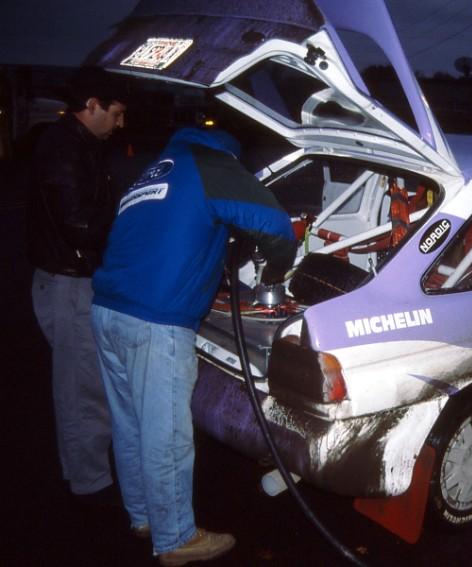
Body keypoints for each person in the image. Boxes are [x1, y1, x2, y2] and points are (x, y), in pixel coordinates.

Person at [90, 126, 297, 565]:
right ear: (231, 148)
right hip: (155, 321)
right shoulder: (213, 164)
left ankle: (145, 516)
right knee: (166, 434)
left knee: (131, 426)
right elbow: (276, 225)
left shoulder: (157, 169)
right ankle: (176, 539)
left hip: (108, 309)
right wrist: (276, 272)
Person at [26, 65, 127, 502]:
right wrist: (127, 233)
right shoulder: (66, 149)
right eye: (116, 113)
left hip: (66, 279)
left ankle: (84, 475)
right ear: (92, 106)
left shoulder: (74, 143)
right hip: (67, 284)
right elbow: (79, 223)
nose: (120, 124)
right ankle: (90, 485)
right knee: (82, 390)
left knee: (83, 384)